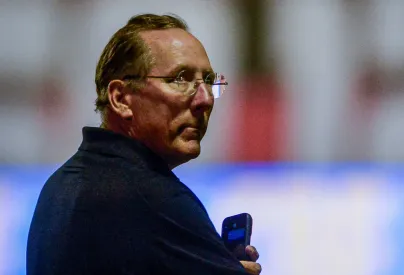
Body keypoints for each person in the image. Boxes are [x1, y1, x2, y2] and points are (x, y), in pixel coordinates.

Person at [27, 13, 262, 275]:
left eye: (208, 81)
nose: (205, 99)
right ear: (121, 98)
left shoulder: (59, 186)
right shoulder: (154, 198)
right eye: (180, 79)